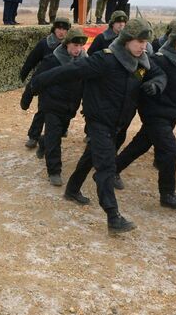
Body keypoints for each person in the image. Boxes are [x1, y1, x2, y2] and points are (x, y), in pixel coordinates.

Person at [31, 18, 166, 233]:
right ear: (126, 40)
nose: (143, 46)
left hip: (118, 123)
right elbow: (69, 72)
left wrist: (155, 84)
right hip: (99, 121)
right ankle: (113, 216)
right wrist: (37, 83)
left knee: (90, 157)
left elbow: (159, 74)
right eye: (139, 41)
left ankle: (72, 189)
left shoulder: (142, 61)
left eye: (145, 42)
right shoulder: (105, 60)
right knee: (105, 166)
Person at [115, 19, 176, 209]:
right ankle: (168, 194)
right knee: (171, 150)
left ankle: (112, 170)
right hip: (156, 114)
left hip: (172, 114)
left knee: (140, 145)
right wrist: (151, 93)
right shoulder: (159, 59)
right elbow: (142, 85)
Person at [32, 28, 89, 186]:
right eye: (74, 45)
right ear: (66, 44)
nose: (77, 49)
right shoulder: (52, 60)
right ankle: (54, 171)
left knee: (57, 133)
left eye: (80, 46)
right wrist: (28, 96)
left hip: (70, 107)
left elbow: (87, 85)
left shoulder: (85, 62)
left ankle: (43, 142)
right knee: (55, 137)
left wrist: (87, 105)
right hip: (51, 105)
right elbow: (37, 79)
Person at [20, 18, 72, 149]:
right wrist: (24, 73)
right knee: (43, 110)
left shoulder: (72, 46)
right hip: (46, 83)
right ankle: (33, 136)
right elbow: (32, 59)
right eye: (59, 29)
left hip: (65, 85)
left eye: (65, 29)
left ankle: (62, 128)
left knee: (66, 109)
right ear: (54, 29)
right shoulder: (45, 44)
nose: (61, 32)